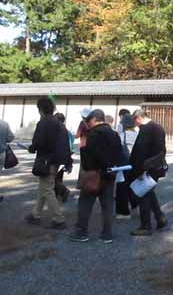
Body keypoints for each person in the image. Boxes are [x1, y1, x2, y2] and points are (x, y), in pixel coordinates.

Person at [69, 109, 124, 243]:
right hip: (110, 174)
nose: (86, 124)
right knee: (107, 205)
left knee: (85, 203)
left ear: (94, 119)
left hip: (94, 174)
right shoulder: (114, 134)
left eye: (87, 121)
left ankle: (81, 232)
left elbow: (88, 159)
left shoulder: (92, 134)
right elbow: (120, 154)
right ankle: (107, 234)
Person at [24, 97, 71, 230]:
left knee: (47, 189)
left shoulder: (44, 122)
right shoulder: (59, 123)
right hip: (56, 161)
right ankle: (36, 214)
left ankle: (58, 219)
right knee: (43, 187)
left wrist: (31, 148)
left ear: (40, 109)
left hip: (46, 160)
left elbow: (38, 142)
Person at [128, 109, 168, 236]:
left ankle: (146, 225)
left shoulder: (146, 129)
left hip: (146, 168)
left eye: (135, 122)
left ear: (137, 118)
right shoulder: (159, 127)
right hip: (156, 166)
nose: (135, 125)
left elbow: (140, 152)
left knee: (143, 195)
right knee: (149, 192)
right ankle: (160, 217)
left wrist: (139, 170)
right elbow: (163, 150)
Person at [115, 112, 137, 216]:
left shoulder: (120, 136)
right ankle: (135, 204)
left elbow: (116, 151)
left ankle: (123, 211)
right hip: (135, 164)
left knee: (122, 188)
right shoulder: (138, 135)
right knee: (134, 185)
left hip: (123, 165)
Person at [53, 113, 74, 203]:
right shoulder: (68, 132)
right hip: (66, 157)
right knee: (58, 177)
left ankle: (64, 191)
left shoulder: (60, 132)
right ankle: (57, 194)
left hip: (60, 157)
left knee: (54, 178)